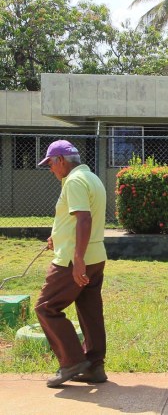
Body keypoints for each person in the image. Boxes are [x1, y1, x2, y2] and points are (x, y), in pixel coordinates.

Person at [34, 140, 109, 388]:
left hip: (72, 261)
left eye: (51, 164)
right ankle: (95, 366)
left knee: (46, 307)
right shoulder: (91, 178)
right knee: (89, 310)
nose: (50, 170)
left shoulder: (74, 181)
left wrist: (77, 259)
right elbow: (79, 220)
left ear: (61, 161)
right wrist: (59, 236)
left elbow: (84, 219)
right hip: (96, 257)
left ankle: (71, 362)